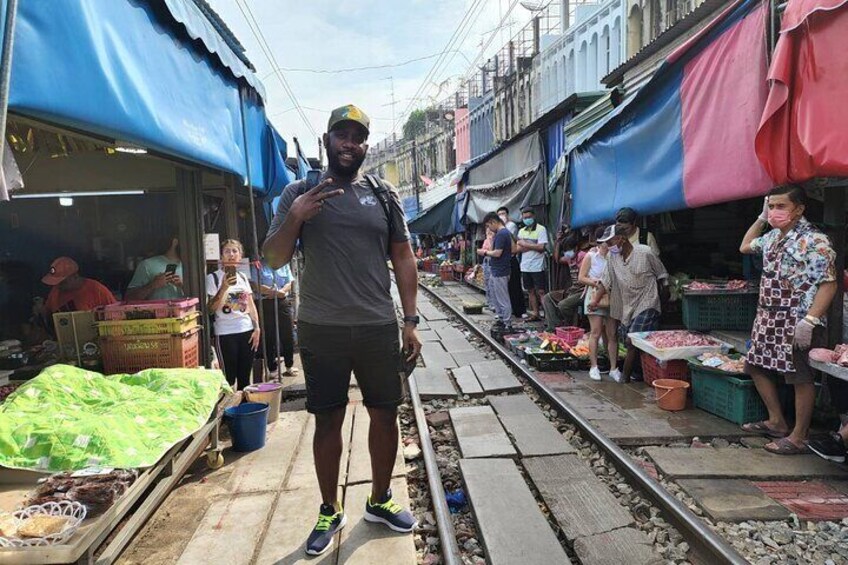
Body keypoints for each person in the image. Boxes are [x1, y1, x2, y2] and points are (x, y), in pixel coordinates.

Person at [263, 104, 420, 556]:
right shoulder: (300, 190)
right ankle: (330, 509)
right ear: (327, 140)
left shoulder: (383, 194)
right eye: (342, 135)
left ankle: (379, 499)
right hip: (321, 327)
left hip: (376, 325)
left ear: (365, 145)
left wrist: (410, 321)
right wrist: (296, 216)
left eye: (358, 137)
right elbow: (272, 259)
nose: (350, 143)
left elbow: (404, 258)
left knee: (385, 414)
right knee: (328, 420)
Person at [740, 185, 837, 455]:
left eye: (780, 206)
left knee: (799, 376)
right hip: (769, 316)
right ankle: (776, 421)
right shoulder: (772, 238)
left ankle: (798, 436)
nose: (774, 212)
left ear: (800, 209)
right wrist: (761, 219)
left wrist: (810, 321)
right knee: (755, 365)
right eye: (771, 206)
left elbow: (828, 284)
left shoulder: (815, 241)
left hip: (798, 318)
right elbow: (745, 246)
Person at [591, 225, 669, 382]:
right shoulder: (613, 258)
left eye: (610, 241)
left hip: (648, 302)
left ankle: (624, 377)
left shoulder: (645, 252)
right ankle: (641, 371)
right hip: (628, 305)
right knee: (630, 340)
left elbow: (662, 275)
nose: (607, 246)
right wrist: (595, 301)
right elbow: (606, 282)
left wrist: (665, 298)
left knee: (631, 340)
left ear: (621, 239)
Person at [206, 239, 261, 391]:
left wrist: (256, 327)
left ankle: (245, 410)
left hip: (246, 330)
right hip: (225, 333)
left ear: (240, 255)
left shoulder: (243, 277)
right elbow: (210, 309)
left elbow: (250, 305)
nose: (231, 254)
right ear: (221, 257)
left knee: (245, 378)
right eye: (227, 251)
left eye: (235, 251)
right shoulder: (213, 278)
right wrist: (224, 288)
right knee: (228, 377)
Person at [580, 227, 619, 382]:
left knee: (612, 334)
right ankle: (594, 366)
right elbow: (581, 277)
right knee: (595, 332)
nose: (609, 245)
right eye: (606, 242)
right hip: (594, 295)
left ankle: (614, 368)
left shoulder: (614, 255)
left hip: (611, 296)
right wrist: (595, 282)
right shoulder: (591, 256)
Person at [252, 257, 297, 377]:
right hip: (266, 302)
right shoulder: (258, 265)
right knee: (269, 336)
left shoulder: (284, 263)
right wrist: (274, 292)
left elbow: (290, 282)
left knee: (288, 334)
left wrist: (281, 292)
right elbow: (255, 285)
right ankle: (272, 368)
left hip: (282, 301)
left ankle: (289, 365)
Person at [43, 257, 116, 318]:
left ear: (75, 276)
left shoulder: (97, 290)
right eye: (56, 282)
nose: (58, 285)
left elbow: (116, 314)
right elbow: (47, 313)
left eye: (62, 282)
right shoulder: (56, 290)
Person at [543, 229, 587, 332]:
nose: (567, 253)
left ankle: (570, 326)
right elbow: (557, 259)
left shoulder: (583, 256)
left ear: (576, 248)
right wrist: (558, 242)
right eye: (565, 251)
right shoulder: (569, 258)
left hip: (583, 291)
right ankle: (554, 327)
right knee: (547, 298)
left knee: (563, 305)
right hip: (573, 290)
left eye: (569, 250)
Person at [125, 233, 184, 300]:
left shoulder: (193, 266)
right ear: (175, 242)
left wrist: (183, 286)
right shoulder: (147, 265)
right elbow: (128, 298)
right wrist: (152, 285)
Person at [481, 212, 514, 331]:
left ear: (493, 222)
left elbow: (497, 253)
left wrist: (484, 252)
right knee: (497, 297)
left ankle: (507, 322)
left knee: (502, 298)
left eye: (489, 226)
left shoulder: (502, 233)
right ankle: (502, 319)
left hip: (501, 270)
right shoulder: (501, 234)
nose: (489, 229)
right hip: (497, 270)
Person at [516, 207, 549, 321]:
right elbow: (518, 248)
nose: (527, 219)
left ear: (534, 216)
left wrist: (525, 244)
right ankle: (535, 313)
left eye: (529, 217)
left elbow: (541, 247)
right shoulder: (521, 231)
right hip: (525, 265)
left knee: (541, 291)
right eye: (525, 217)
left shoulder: (541, 229)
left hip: (537, 266)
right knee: (530, 290)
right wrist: (532, 245)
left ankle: (548, 315)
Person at [498, 206, 526, 318]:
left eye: (503, 213)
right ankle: (510, 309)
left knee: (515, 285)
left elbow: (512, 242)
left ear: (507, 215)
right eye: (499, 214)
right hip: (503, 260)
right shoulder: (499, 229)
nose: (501, 216)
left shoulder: (511, 226)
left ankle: (519, 310)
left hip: (512, 258)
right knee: (506, 287)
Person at [477, 227, 496, 312]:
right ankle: (489, 302)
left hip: (493, 262)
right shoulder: (485, 241)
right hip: (486, 261)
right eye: (487, 231)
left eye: (490, 231)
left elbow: (492, 251)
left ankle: (494, 304)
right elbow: (483, 250)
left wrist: (491, 241)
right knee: (487, 283)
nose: (488, 233)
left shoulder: (495, 240)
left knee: (493, 284)